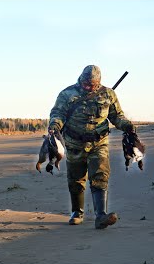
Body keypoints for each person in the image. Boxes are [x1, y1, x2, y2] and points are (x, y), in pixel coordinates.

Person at [47, 65, 135, 229]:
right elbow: (57, 114)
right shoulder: (67, 94)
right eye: (86, 83)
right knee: (76, 178)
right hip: (74, 142)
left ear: (98, 82)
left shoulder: (108, 94)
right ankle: (77, 212)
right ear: (81, 79)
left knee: (100, 175)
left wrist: (127, 126)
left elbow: (117, 116)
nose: (88, 87)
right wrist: (54, 126)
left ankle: (100, 216)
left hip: (99, 142)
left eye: (92, 85)